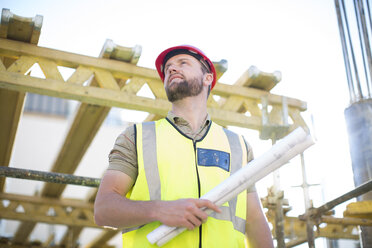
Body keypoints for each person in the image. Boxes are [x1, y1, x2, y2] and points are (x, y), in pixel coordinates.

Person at [94, 45, 274, 248]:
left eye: (183, 63)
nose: (171, 69)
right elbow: (103, 209)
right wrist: (159, 210)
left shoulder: (239, 146)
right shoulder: (137, 137)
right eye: (168, 67)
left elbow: (255, 220)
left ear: (208, 78)